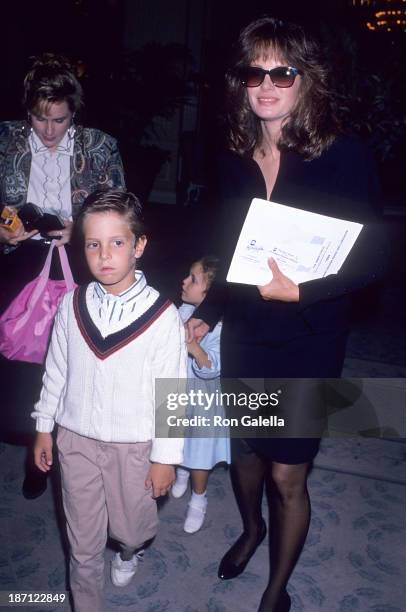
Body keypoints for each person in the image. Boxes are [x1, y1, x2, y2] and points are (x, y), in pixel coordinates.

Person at [187, 17, 387, 612]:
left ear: (306, 79)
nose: (267, 84)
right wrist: (212, 309)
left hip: (309, 335)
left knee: (286, 474)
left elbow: (377, 256)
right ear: (241, 82)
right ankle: (252, 530)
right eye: (256, 71)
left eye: (283, 71)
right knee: (247, 455)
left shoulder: (343, 154)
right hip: (248, 332)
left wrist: (305, 293)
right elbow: (231, 244)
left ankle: (277, 591)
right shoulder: (232, 155)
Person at [32, 189, 186, 611]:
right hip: (76, 438)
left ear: (139, 246)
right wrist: (44, 426)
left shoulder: (162, 316)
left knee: (132, 528)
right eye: (93, 244)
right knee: (82, 543)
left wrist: (165, 457)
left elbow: (172, 391)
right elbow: (57, 370)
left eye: (117, 243)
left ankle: (130, 550)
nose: (104, 255)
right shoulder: (71, 304)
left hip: (133, 445)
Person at [0, 53, 125, 498]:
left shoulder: (100, 145)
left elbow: (122, 211)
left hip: (81, 262)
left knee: (76, 361)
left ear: (74, 111)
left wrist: (83, 230)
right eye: (39, 118)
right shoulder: (5, 141)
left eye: (59, 119)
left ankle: (73, 454)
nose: (49, 131)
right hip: (21, 261)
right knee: (23, 360)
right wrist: (5, 233)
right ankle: (36, 451)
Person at [172, 256, 230, 533]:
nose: (184, 281)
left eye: (193, 280)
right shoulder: (181, 310)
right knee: (175, 439)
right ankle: (181, 470)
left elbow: (212, 368)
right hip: (177, 391)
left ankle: (199, 496)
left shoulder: (220, 328)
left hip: (204, 400)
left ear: (211, 294)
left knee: (199, 453)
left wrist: (193, 346)